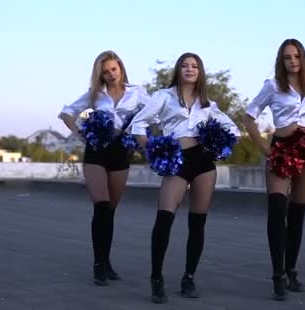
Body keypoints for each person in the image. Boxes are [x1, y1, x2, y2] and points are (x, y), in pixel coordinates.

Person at [129, 52, 241, 304]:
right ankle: (156, 278)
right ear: (178, 70)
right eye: (185, 65)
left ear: (200, 72)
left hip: (203, 162)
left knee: (197, 223)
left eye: (195, 66)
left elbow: (234, 131)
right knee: (164, 219)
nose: (190, 69)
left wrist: (216, 144)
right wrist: (152, 149)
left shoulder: (208, 105)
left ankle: (188, 277)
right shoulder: (163, 97)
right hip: (176, 161)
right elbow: (138, 124)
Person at [58, 50, 151, 286]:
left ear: (121, 68)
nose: (110, 74)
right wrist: (82, 134)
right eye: (105, 71)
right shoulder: (95, 95)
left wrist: (139, 134)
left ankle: (106, 261)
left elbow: (154, 116)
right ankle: (98, 265)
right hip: (96, 152)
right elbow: (66, 113)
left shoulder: (138, 93)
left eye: (114, 69)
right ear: (99, 74)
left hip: (121, 152)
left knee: (110, 210)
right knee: (100, 206)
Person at [244, 39, 305, 301]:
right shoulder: (273, 86)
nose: (292, 61)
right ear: (281, 60)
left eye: (297, 56)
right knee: (278, 211)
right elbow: (249, 116)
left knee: (297, 213)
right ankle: (277, 275)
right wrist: (265, 147)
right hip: (281, 148)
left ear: (303, 60)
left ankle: (291, 270)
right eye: (288, 57)